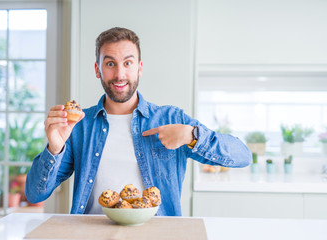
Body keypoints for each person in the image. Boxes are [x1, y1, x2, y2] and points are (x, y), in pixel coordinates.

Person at [26, 27, 251, 216]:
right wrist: (54, 148)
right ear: (98, 70)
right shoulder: (80, 127)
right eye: (110, 64)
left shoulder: (171, 119)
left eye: (128, 63)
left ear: (139, 68)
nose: (120, 74)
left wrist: (192, 135)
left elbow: (242, 156)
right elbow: (35, 194)